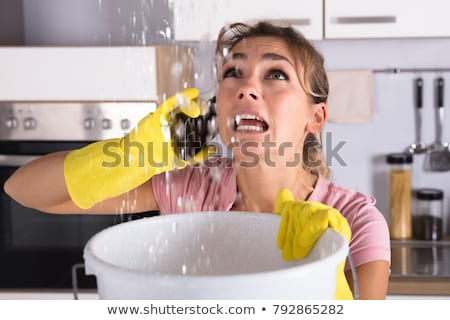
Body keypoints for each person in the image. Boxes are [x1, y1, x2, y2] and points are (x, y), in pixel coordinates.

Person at [3, 21, 390, 299]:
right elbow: (24, 190)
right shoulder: (191, 189)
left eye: (275, 74)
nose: (247, 87)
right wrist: (133, 155)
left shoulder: (355, 221)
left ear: (315, 118)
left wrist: (327, 261)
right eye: (233, 72)